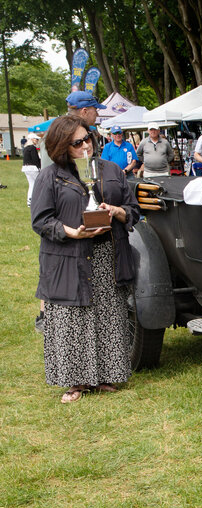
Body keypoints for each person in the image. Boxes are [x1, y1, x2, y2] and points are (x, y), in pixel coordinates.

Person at [30, 114, 141, 403]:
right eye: (76, 142)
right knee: (73, 319)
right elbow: (41, 221)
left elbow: (133, 209)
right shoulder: (50, 175)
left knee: (106, 314)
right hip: (69, 256)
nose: (85, 146)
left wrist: (118, 212)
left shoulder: (112, 170)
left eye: (87, 139)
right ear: (61, 146)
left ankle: (106, 376)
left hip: (107, 254)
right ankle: (75, 382)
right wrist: (70, 232)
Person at [22, 133, 42, 206]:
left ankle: (29, 201)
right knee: (38, 184)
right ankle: (37, 200)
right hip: (33, 168)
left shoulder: (26, 148)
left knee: (31, 184)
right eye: (36, 139)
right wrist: (40, 168)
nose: (37, 140)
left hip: (26, 168)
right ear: (32, 139)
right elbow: (35, 159)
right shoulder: (33, 148)